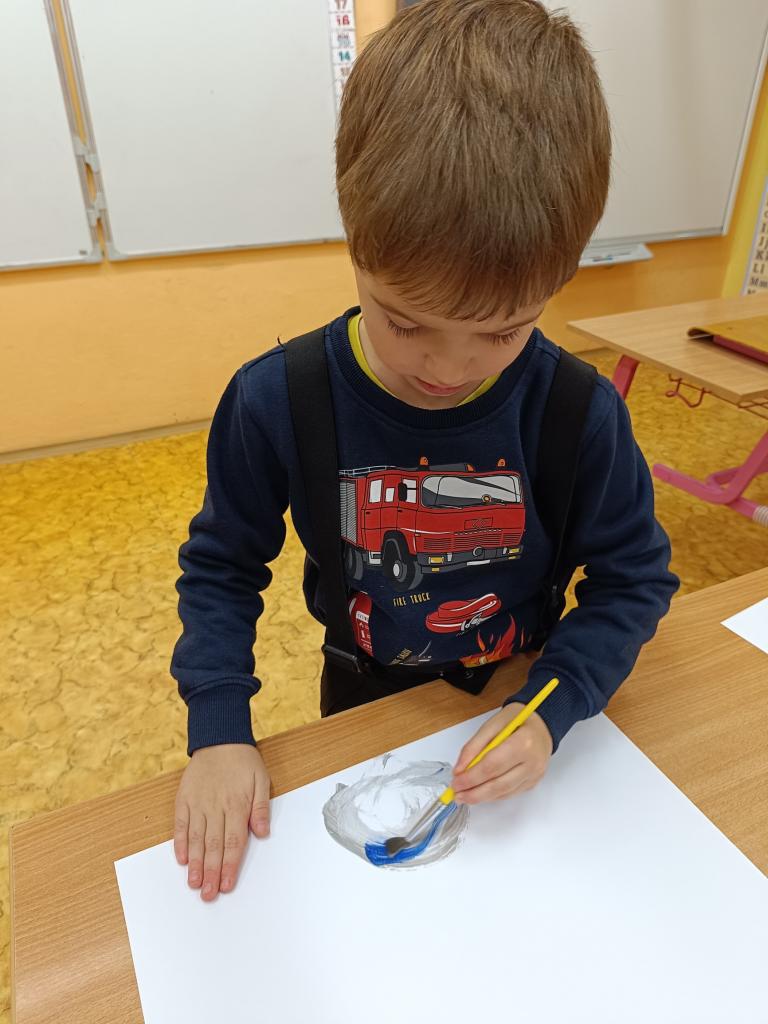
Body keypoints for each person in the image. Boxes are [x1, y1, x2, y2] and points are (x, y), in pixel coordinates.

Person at [170, 0, 678, 901]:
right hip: (361, 693)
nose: (446, 369)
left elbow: (633, 579)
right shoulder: (274, 400)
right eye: (405, 323)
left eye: (504, 332)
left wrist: (552, 705)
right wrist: (218, 728)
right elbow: (221, 567)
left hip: (524, 689)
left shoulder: (579, 411)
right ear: (353, 242)